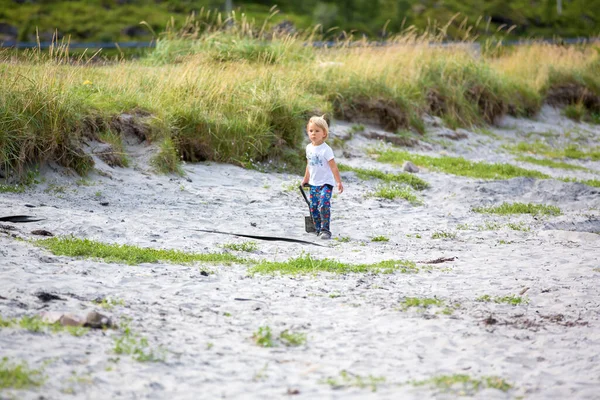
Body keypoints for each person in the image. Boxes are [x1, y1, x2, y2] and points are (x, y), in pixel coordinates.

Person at [300, 115, 343, 240]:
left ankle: (325, 230)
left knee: (323, 204)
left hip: (326, 183)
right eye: (311, 131)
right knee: (313, 207)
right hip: (313, 183)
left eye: (317, 131)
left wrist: (338, 182)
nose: (313, 133)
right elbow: (309, 165)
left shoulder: (326, 150)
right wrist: (305, 179)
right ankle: (318, 229)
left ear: (324, 133)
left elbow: (334, 167)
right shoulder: (309, 148)